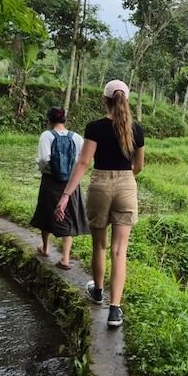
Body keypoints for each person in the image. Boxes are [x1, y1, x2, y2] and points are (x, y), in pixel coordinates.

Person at [55, 79, 144, 328]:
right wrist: (124, 178)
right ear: (126, 100)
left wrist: (65, 195)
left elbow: (84, 162)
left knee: (100, 246)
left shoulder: (94, 127)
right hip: (127, 185)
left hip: (100, 185)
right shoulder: (137, 130)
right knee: (120, 251)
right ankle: (114, 310)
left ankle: (97, 292)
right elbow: (139, 166)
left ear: (105, 100)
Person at [30, 107, 88, 269]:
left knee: (46, 213)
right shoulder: (77, 137)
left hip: (50, 181)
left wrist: (43, 169)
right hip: (71, 183)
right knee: (67, 216)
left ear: (49, 120)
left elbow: (43, 159)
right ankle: (65, 258)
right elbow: (81, 160)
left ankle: (45, 248)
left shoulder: (46, 135)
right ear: (65, 120)